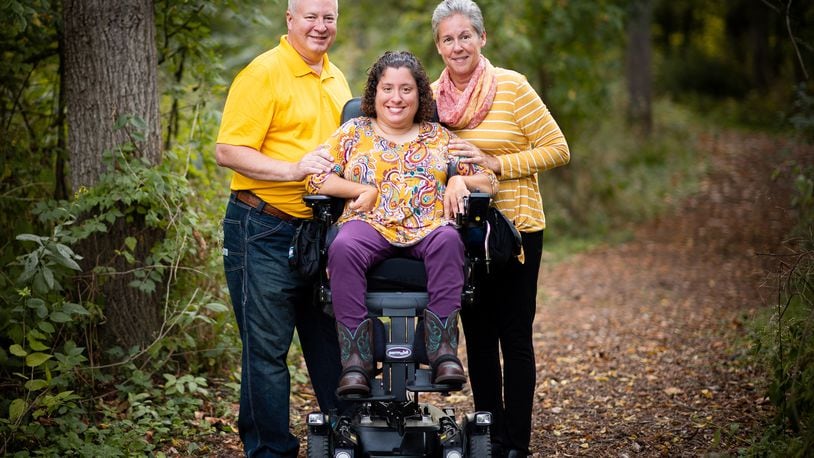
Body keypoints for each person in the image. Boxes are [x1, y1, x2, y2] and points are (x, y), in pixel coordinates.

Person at [306, 50, 498, 397]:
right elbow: (314, 181)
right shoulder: (353, 133)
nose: (396, 98)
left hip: (428, 227)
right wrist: (358, 188)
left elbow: (489, 181)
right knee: (343, 245)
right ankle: (356, 361)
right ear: (374, 93)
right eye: (388, 88)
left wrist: (460, 181)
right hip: (369, 224)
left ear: (420, 95)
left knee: (449, 240)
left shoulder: (439, 137)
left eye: (406, 89)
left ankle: (441, 353)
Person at [429, 1, 571, 457]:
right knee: (479, 337)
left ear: (482, 38)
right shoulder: (431, 99)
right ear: (438, 46)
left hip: (517, 233)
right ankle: (489, 434)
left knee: (514, 335)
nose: (458, 46)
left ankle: (517, 442)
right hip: (464, 235)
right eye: (448, 39)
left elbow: (557, 148)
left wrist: (498, 164)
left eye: (465, 36)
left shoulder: (512, 87)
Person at [214, 0, 351, 456]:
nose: (320, 26)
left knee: (330, 344)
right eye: (310, 16)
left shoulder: (337, 78)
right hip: (261, 228)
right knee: (267, 352)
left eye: (328, 17)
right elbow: (230, 151)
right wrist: (293, 170)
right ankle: (271, 450)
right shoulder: (263, 73)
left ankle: (346, 441)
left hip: (320, 232)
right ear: (289, 20)